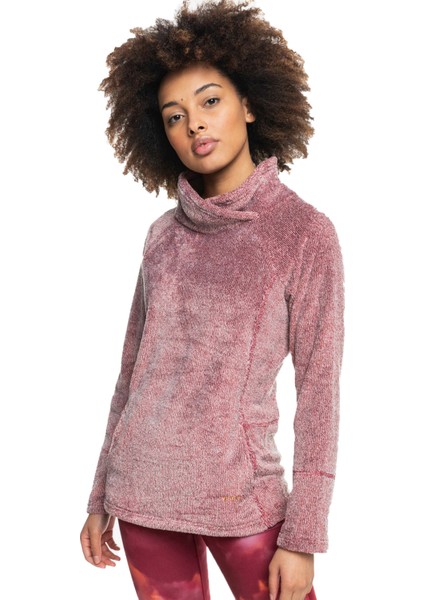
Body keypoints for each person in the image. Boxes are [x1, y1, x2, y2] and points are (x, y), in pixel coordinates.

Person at [80, 1, 345, 599]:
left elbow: (320, 392)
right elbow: (131, 375)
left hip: (243, 502)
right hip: (141, 493)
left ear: (249, 104)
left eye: (210, 102)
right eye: (175, 116)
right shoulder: (161, 237)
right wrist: (100, 496)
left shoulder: (304, 234)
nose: (195, 125)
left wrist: (304, 534)